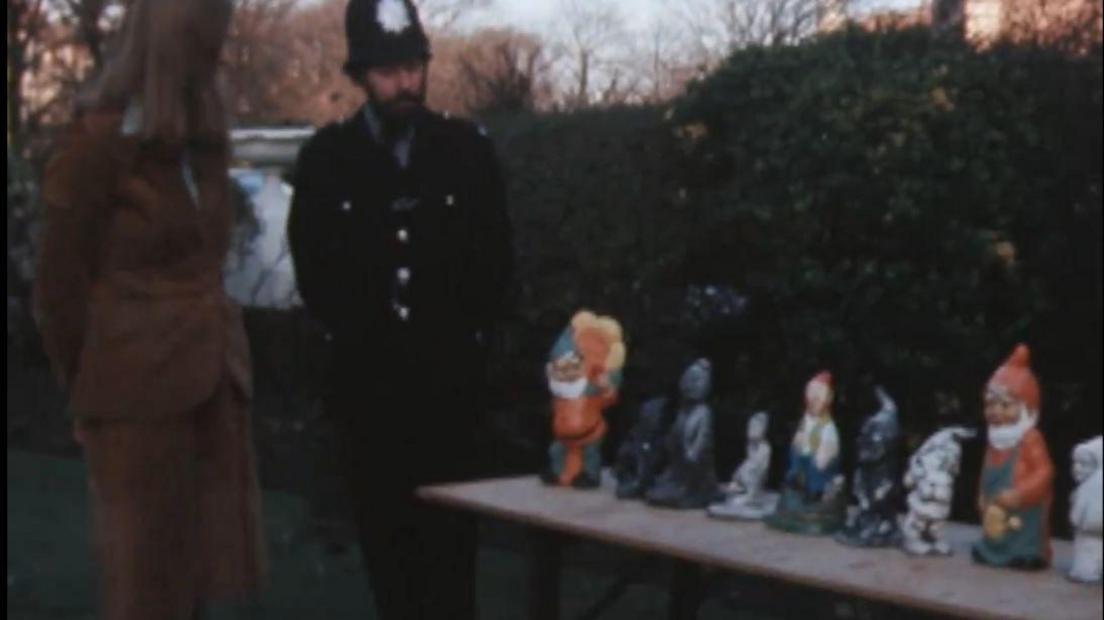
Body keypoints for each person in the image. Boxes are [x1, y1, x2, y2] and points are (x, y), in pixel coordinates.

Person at [32, 1, 267, 618]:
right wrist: (82, 383)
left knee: (199, 589)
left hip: (211, 386)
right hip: (136, 397)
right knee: (146, 591)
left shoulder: (202, 142)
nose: (214, 60)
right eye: (204, 47)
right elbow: (58, 287)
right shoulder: (100, 144)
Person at [286, 0, 514, 617]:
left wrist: (469, 354)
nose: (405, 82)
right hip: (372, 404)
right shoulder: (328, 162)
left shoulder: (465, 151)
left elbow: (496, 267)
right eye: (388, 71)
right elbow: (317, 274)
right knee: (392, 569)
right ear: (360, 75)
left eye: (413, 66)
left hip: (451, 404)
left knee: (452, 569)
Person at [972, 344, 1055, 570]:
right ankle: (992, 549)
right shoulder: (994, 440)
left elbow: (1044, 472)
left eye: (1005, 405)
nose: (995, 411)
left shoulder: (1030, 439)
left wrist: (1020, 494)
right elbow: (986, 469)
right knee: (994, 531)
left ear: (1027, 409)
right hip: (994, 510)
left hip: (1023, 509)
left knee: (1023, 532)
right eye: (990, 404)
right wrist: (981, 493)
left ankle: (1028, 553)